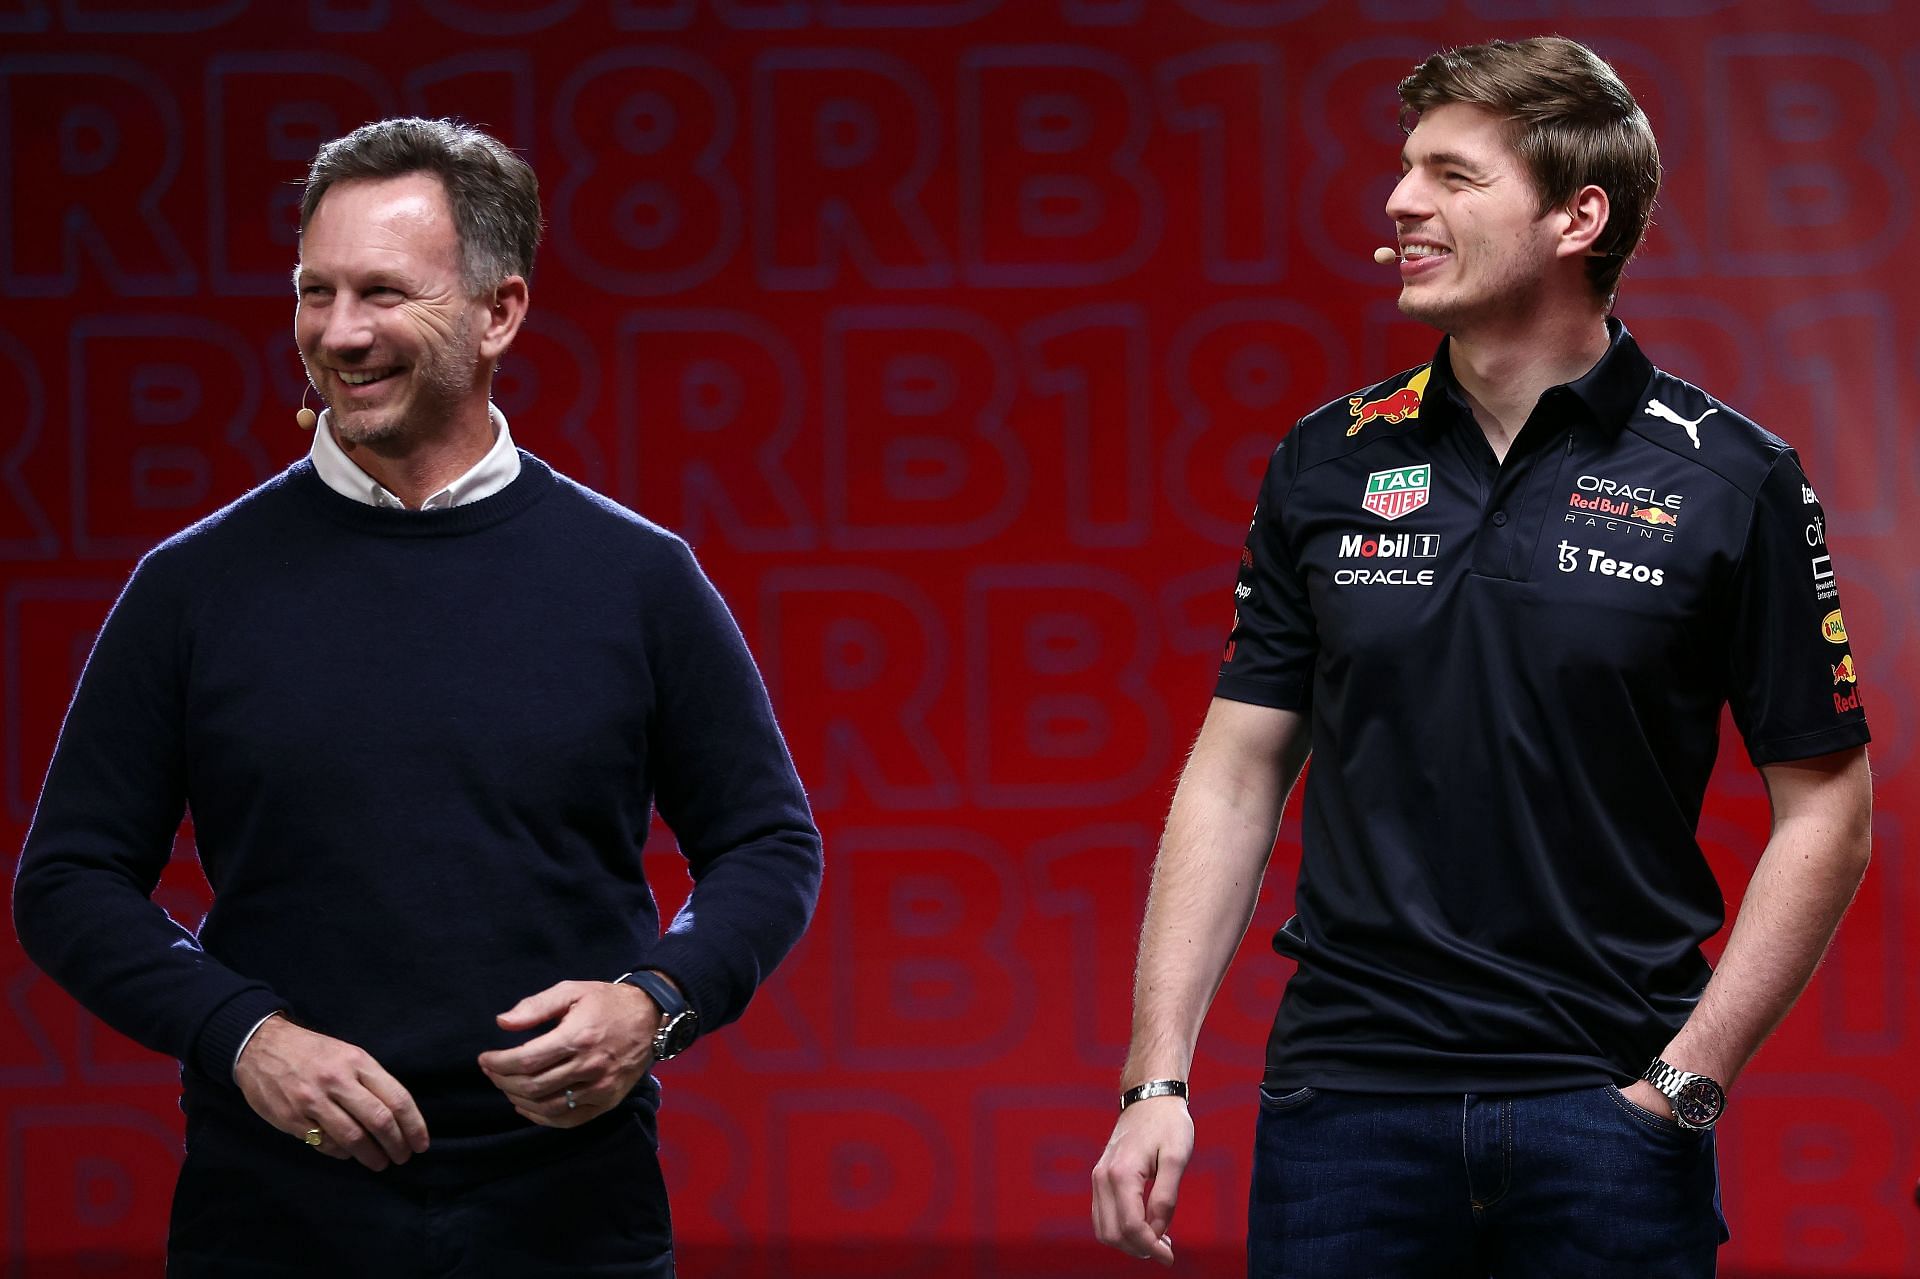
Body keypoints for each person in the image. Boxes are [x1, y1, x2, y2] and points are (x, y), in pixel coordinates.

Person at [1091, 36, 1871, 1279]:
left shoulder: (1735, 476)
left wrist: (1689, 1083)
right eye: (1407, 171)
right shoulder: (1323, 459)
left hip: (1608, 1113)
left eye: (1452, 177)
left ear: (1579, 216)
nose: (1400, 204)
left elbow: (1829, 809)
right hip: (1341, 1109)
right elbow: (1236, 774)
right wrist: (1154, 1078)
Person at [12, 117, 823, 1277]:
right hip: (275, 1212)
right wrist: (240, 1034)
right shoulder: (192, 587)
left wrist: (658, 1002)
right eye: (315, 292)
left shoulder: (637, 577)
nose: (339, 334)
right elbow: (68, 880)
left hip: (571, 1213)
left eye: (383, 293)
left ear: (499, 312)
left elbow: (769, 841)